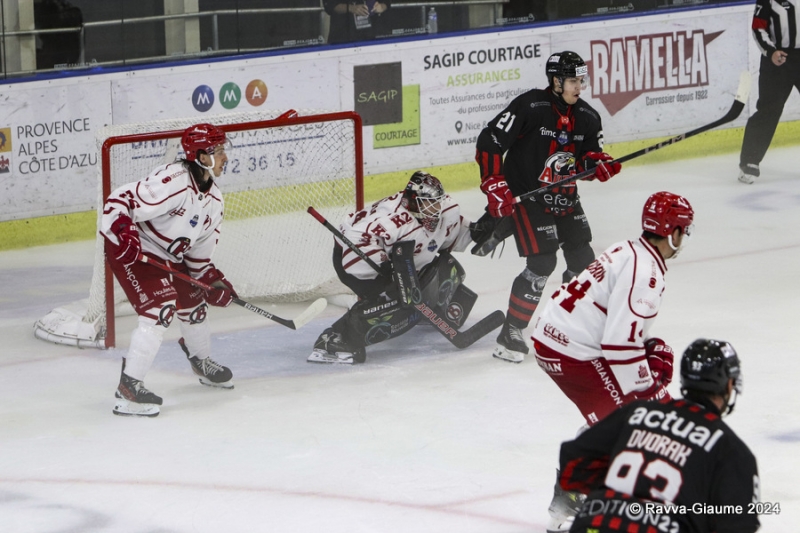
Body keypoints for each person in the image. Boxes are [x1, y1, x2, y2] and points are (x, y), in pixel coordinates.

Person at [532, 190, 694, 532]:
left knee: (618, 418)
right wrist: (653, 393)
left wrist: (646, 348)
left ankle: (569, 498)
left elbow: (615, 328)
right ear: (674, 231)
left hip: (558, 339)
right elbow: (619, 346)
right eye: (684, 229)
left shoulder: (628, 249)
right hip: (572, 351)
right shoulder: (648, 272)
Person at [474, 50, 622, 364]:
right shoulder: (530, 106)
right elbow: (490, 139)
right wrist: (494, 182)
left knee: (583, 259)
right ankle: (511, 331)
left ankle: (572, 323)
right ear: (555, 81)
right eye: (572, 80)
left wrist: (597, 165)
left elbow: (587, 157)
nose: (579, 86)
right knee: (542, 263)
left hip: (566, 198)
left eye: (581, 79)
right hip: (529, 197)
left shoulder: (588, 116)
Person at [100, 123, 237, 417]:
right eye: (220, 150)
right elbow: (119, 201)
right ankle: (128, 388)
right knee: (160, 310)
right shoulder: (173, 179)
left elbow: (198, 259)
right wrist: (124, 231)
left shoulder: (214, 200)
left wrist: (210, 281)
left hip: (167, 256)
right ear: (201, 157)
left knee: (195, 304)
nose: (226, 157)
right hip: (135, 249)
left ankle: (201, 361)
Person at [557, 339, 760, 533]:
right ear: (729, 385)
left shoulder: (636, 413)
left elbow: (572, 460)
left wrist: (613, 497)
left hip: (594, 524)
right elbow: (738, 524)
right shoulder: (732, 452)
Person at [309, 171, 474, 364]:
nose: (437, 208)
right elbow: (355, 239)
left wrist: (480, 231)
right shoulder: (392, 221)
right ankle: (334, 338)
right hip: (353, 253)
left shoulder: (440, 211)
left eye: (437, 202)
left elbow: (448, 238)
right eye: (430, 204)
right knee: (384, 297)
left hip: (390, 253)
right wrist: (384, 273)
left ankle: (426, 306)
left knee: (432, 271)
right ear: (414, 202)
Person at [738, 0, 800, 184]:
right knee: (769, 110)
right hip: (778, 60)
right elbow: (758, 27)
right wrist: (771, 51)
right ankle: (749, 161)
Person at [323, 0, 391, 44]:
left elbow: (386, 3)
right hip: (344, 36)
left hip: (372, 36)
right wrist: (351, 8)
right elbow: (330, 6)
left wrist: (382, 6)